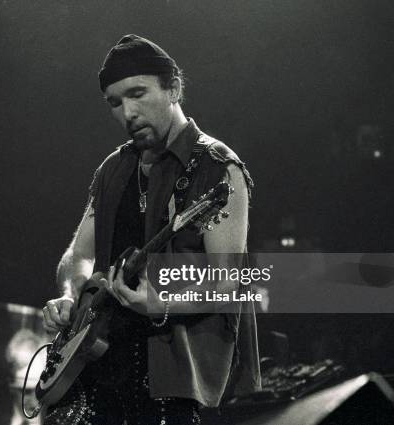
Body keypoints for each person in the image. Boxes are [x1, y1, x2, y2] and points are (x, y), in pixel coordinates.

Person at [42, 34, 261, 424]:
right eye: (115, 102)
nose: (128, 113)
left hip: (171, 381)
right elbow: (80, 255)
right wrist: (70, 295)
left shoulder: (217, 168)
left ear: (173, 88)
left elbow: (229, 281)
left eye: (138, 94)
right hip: (97, 370)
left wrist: (160, 304)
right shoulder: (113, 169)